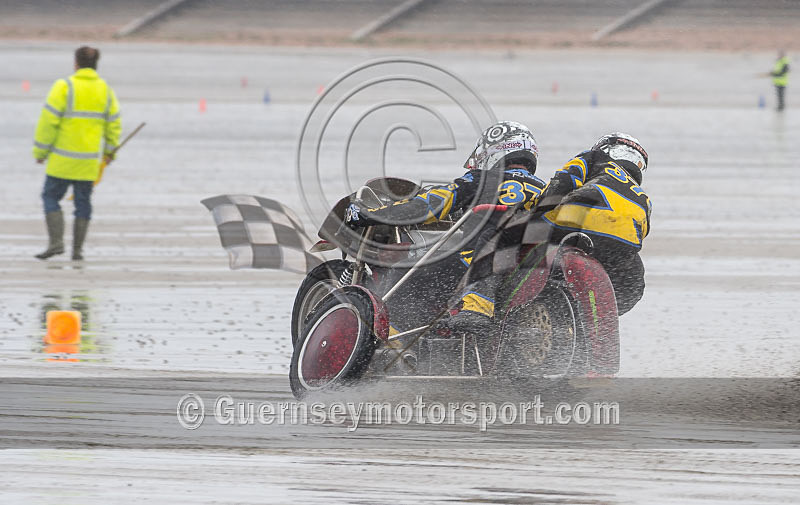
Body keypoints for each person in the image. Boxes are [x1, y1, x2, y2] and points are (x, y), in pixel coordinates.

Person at [344, 121, 546, 331]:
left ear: (492, 151)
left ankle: (392, 349)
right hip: (529, 261)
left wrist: (370, 215)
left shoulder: (481, 180)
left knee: (403, 277)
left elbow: (430, 205)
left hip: (473, 263)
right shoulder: (543, 187)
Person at [449, 132, 652, 332]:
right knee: (635, 282)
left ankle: (478, 308)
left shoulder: (592, 158)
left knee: (496, 238)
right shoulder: (643, 197)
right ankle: (583, 325)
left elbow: (563, 182)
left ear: (606, 149)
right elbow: (642, 232)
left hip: (572, 225)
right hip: (621, 247)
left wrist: (536, 210)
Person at [33, 46, 121, 260]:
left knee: (50, 197)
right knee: (83, 203)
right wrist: (110, 152)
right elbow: (113, 124)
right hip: (88, 162)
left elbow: (48, 122)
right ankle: (77, 250)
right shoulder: (105, 90)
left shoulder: (64, 86)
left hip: (62, 160)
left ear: (76, 63)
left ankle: (56, 243)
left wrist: (40, 150)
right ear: (96, 64)